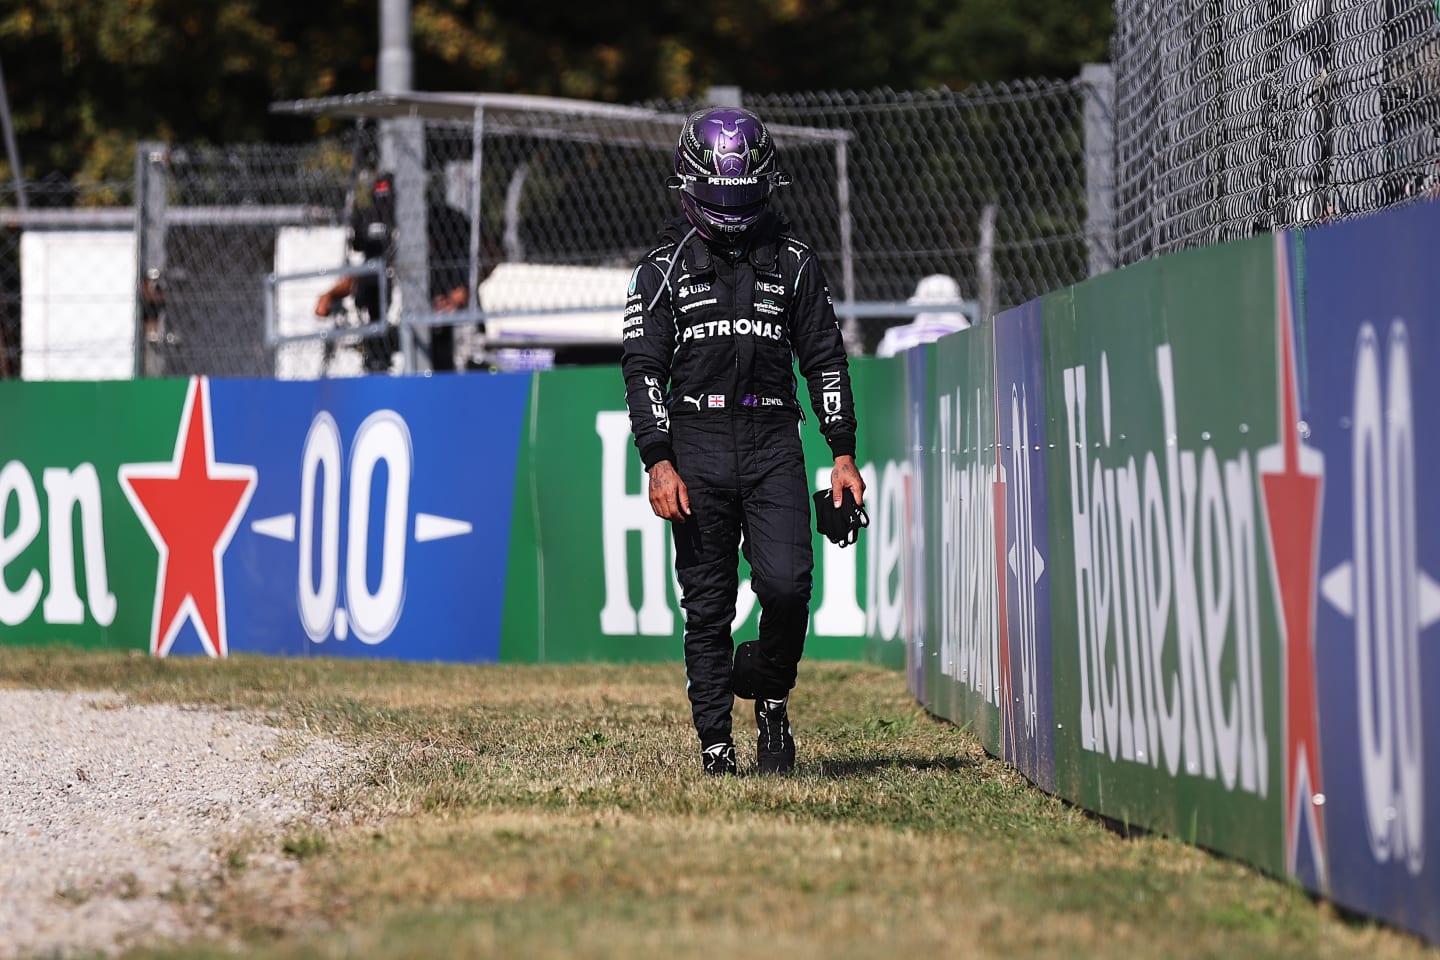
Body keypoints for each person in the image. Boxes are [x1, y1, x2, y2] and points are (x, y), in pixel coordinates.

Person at [621, 106, 865, 776]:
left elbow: (825, 360)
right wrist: (659, 459)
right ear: (690, 185)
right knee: (708, 606)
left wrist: (842, 451)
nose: (731, 210)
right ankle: (717, 749)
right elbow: (643, 369)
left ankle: (768, 691)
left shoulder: (794, 263)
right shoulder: (660, 270)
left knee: (788, 587)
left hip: (771, 439)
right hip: (695, 441)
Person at [314, 171, 480, 373]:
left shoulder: (439, 227)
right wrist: (331, 294)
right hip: (387, 327)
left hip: (429, 324)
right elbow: (358, 275)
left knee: (438, 366)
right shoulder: (375, 246)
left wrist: (458, 296)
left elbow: (473, 270)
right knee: (379, 362)